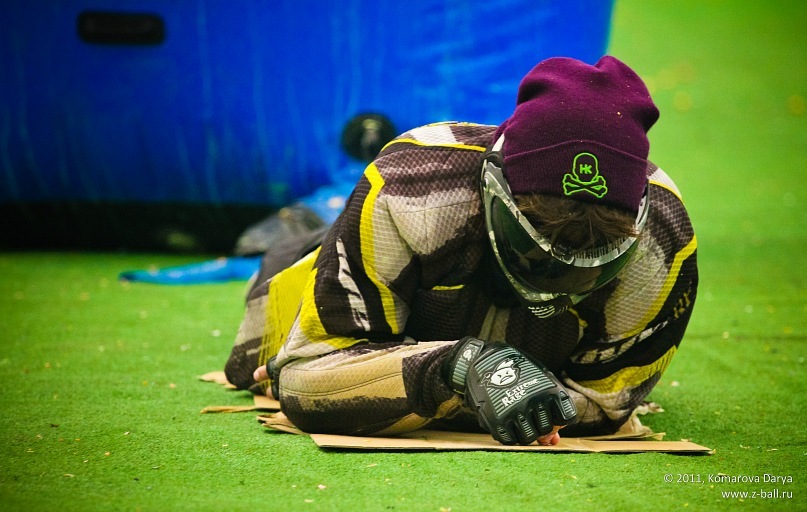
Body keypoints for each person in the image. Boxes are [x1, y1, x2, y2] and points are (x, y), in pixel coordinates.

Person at [225, 55, 698, 446]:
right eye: (538, 242)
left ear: (637, 216)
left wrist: (455, 383)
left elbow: (604, 406)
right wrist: (459, 369)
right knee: (255, 354)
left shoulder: (663, 237)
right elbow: (304, 379)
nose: (558, 277)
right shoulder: (409, 184)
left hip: (424, 342)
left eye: (595, 252)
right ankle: (308, 228)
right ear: (496, 187)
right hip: (356, 272)